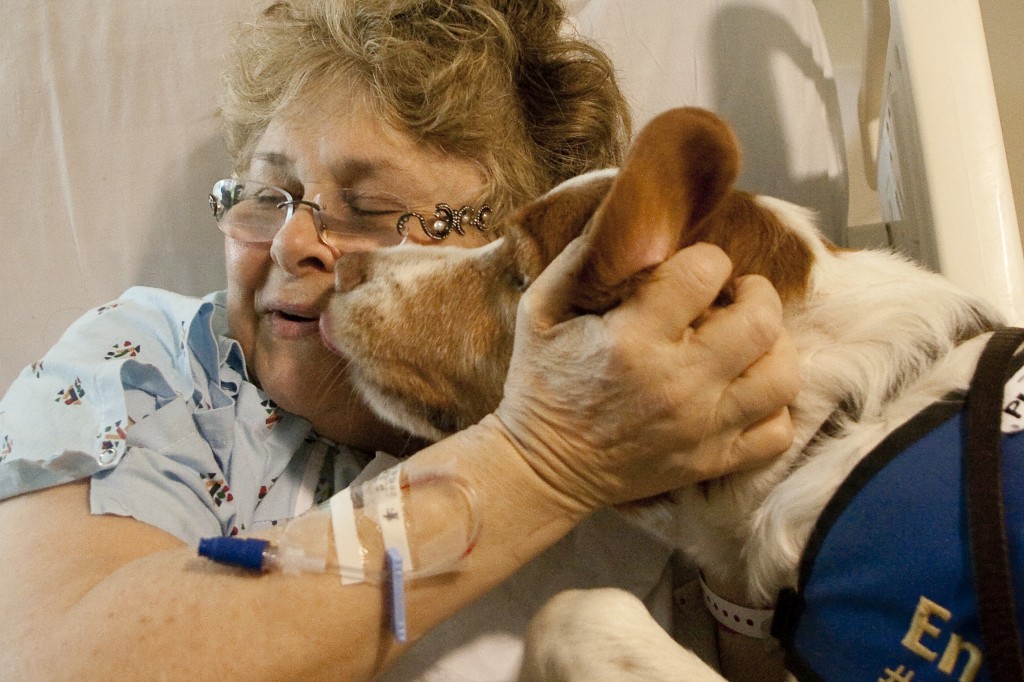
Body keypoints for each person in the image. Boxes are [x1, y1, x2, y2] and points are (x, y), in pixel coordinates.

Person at [0, 1, 799, 679]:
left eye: (370, 208)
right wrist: (543, 461)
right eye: (267, 194)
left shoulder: (643, 387)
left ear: (516, 258)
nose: (292, 243)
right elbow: (63, 663)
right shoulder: (147, 369)